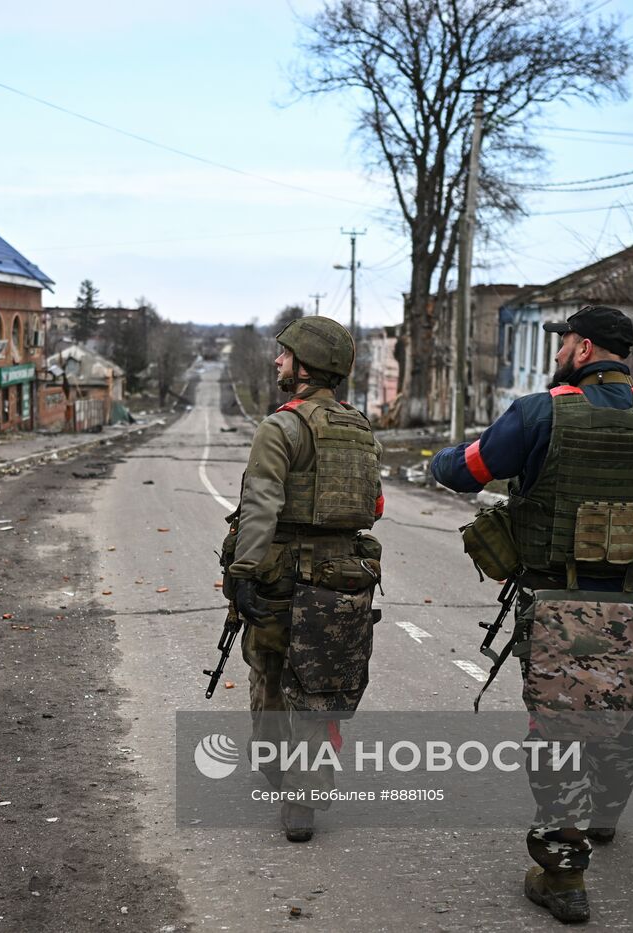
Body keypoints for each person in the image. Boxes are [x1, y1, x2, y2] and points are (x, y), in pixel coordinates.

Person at [430, 305, 633, 923]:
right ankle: (607, 809)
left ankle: (564, 875)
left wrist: (438, 460)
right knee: (619, 702)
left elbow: (469, 470)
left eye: (563, 343)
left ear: (583, 350)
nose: (557, 353)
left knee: (556, 730)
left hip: (555, 607)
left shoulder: (539, 412)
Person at [221, 316, 384, 843]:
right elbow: (374, 506)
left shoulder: (281, 427)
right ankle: (305, 797)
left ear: (306, 366)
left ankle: (281, 779)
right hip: (343, 579)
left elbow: (260, 505)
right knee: (320, 686)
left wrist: (243, 573)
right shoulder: (359, 428)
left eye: (285, 354)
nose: (277, 361)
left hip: (282, 577)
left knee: (271, 674)